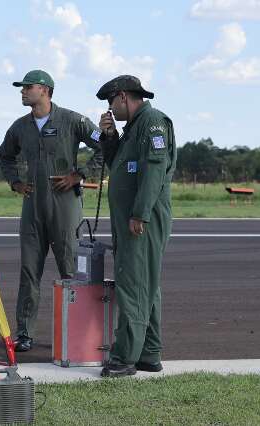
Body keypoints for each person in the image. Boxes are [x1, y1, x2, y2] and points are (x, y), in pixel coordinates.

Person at [0, 70, 103, 352]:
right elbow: (4, 155)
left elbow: (104, 145)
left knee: (71, 269)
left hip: (65, 205)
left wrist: (79, 174)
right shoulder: (20, 127)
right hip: (33, 207)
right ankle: (24, 333)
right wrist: (16, 182)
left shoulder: (72, 120)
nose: (22, 92)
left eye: (27, 87)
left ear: (44, 90)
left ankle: (77, 332)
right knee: (29, 271)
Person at [95, 75, 176, 377]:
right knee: (146, 284)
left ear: (124, 97)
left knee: (131, 285)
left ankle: (124, 357)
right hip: (132, 219)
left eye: (111, 102)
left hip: (141, 220)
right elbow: (119, 165)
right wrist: (109, 138)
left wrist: (140, 213)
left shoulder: (152, 122)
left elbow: (154, 170)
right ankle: (149, 354)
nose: (110, 109)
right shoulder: (133, 129)